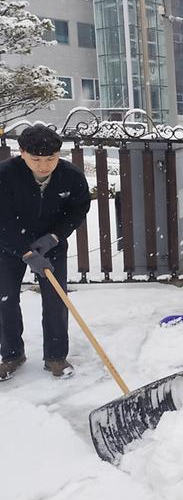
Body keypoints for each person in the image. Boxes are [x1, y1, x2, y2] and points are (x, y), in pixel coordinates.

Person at [0, 125, 90, 381]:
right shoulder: (5, 175)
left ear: (59, 154)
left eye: (51, 159)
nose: (43, 166)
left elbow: (78, 209)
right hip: (9, 246)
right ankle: (11, 355)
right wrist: (25, 252)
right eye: (36, 159)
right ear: (22, 153)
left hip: (51, 245)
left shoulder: (71, 176)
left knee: (55, 299)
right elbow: (2, 219)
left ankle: (55, 356)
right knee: (5, 299)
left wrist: (54, 237)